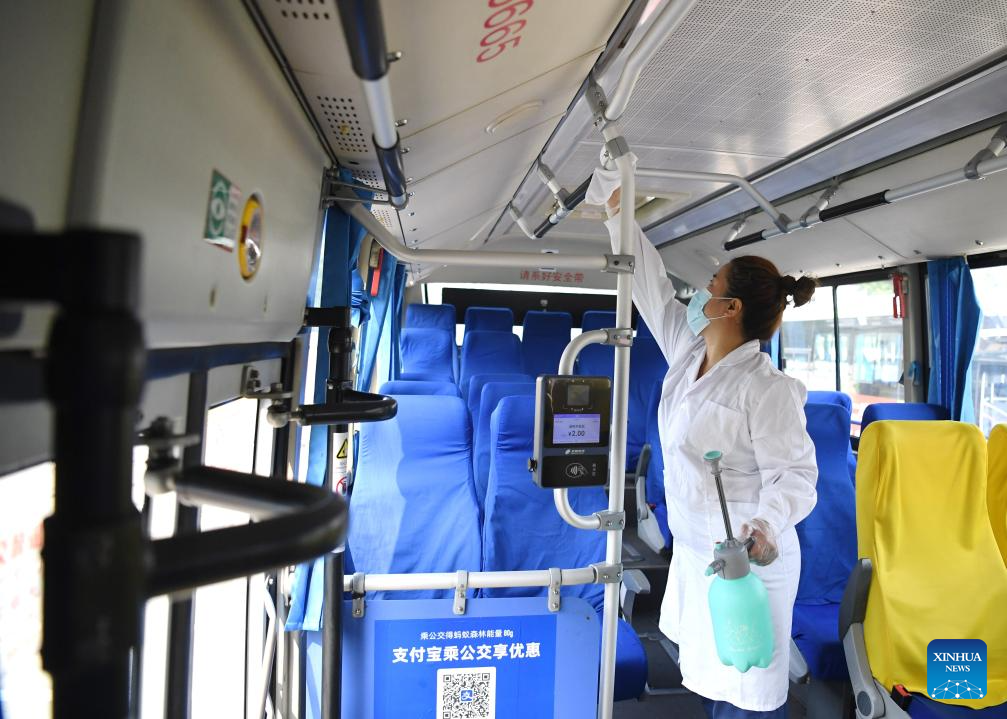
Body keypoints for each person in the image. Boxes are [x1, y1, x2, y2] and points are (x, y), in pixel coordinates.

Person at [588, 164, 818, 718]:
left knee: (745, 695)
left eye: (711, 286)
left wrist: (764, 529)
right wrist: (617, 207)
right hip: (696, 556)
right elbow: (650, 286)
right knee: (713, 684)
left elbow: (795, 476)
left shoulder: (768, 388)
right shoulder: (690, 352)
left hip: (746, 564)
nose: (701, 293)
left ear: (731, 308)